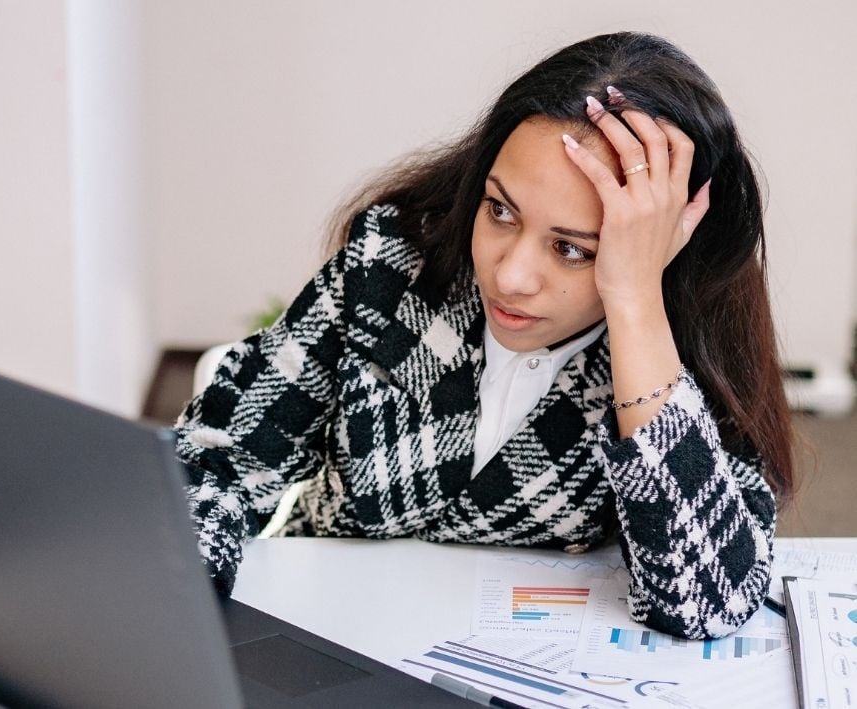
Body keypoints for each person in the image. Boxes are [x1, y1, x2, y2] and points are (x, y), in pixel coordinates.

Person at [172, 31, 793, 641]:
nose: (512, 276)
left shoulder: (674, 338)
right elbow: (218, 456)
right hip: (327, 638)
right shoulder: (390, 266)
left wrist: (633, 303)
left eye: (573, 249)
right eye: (500, 211)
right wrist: (187, 614)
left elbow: (706, 604)